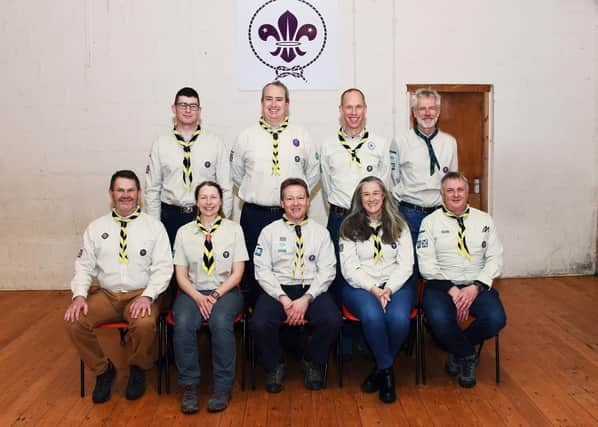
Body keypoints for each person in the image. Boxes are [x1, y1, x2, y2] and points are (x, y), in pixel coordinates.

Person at [64, 170, 173, 403]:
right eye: (120, 190)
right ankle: (104, 371)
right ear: (111, 193)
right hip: (107, 294)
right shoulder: (96, 228)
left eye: (130, 190)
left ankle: (137, 368)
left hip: (141, 293)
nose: (126, 195)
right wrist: (79, 296)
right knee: (74, 320)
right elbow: (84, 266)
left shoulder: (154, 228)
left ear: (139, 193)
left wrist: (149, 296)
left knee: (144, 323)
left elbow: (164, 268)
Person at [231, 81, 319, 304]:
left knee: (289, 270)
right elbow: (236, 175)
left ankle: (290, 321)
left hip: (290, 215)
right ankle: (257, 322)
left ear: (287, 104)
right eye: (268, 99)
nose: (274, 104)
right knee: (253, 272)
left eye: (279, 99)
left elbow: (313, 175)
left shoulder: (302, 135)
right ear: (261, 103)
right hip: (255, 215)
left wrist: (294, 202)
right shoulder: (246, 137)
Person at [250, 178, 341, 393]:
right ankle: (275, 364)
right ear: (282, 203)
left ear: (309, 201)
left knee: (332, 319)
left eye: (300, 198)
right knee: (259, 323)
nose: (295, 203)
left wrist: (306, 298)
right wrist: (282, 297)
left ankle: (312, 359)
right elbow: (262, 270)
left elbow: (328, 271)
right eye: (289, 198)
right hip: (278, 288)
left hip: (311, 288)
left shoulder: (321, 233)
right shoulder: (269, 232)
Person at [417, 172, 506, 388]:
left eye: (460, 190)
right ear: (442, 195)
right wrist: (453, 290)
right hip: (441, 286)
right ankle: (466, 355)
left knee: (496, 319)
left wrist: (475, 287)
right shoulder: (429, 223)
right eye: (450, 190)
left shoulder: (484, 219)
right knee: (438, 319)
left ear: (467, 193)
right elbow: (426, 264)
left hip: (477, 285)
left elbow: (495, 258)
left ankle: (457, 349)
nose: (455, 195)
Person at [320, 88, 391, 358]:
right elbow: (326, 185)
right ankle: (343, 335)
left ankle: (366, 333)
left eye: (358, 107)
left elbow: (386, 184)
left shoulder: (381, 145)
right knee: (338, 276)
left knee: (368, 271)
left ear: (365, 109)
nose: (353, 112)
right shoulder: (327, 146)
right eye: (348, 107)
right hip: (339, 217)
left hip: (371, 218)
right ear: (340, 110)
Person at [145, 87, 232, 304]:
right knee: (174, 271)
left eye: (192, 106)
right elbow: (152, 189)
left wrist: (223, 221)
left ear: (199, 110)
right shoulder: (160, 144)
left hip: (205, 215)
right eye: (183, 105)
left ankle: (210, 311)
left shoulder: (214, 143)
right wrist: (156, 228)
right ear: (173, 109)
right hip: (171, 216)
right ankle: (177, 318)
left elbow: (226, 188)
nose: (187, 110)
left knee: (204, 267)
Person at [172, 181, 247, 414]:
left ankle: (222, 387)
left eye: (213, 197)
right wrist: (197, 297)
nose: (208, 202)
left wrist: (215, 295)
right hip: (192, 291)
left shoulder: (234, 229)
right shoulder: (184, 232)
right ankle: (190, 386)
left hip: (226, 291)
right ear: (196, 201)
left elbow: (238, 273)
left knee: (220, 322)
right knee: (183, 324)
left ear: (221, 201)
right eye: (203, 197)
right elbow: (181, 276)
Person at [339, 176, 414, 403]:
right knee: (372, 317)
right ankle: (387, 373)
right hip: (361, 285)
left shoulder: (400, 224)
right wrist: (374, 289)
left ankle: (380, 369)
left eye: (375, 193)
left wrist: (388, 288)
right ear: (360, 199)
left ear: (384, 196)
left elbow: (406, 264)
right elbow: (349, 268)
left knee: (400, 319)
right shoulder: (348, 226)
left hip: (396, 283)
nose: (371, 198)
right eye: (366, 194)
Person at [390, 88, 458, 285]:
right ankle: (411, 313)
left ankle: (433, 312)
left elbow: (453, 181)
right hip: (409, 213)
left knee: (439, 265)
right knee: (409, 267)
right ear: (414, 112)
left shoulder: (449, 142)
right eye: (422, 109)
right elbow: (394, 179)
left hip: (440, 214)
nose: (427, 113)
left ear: (438, 111)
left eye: (432, 108)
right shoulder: (400, 142)